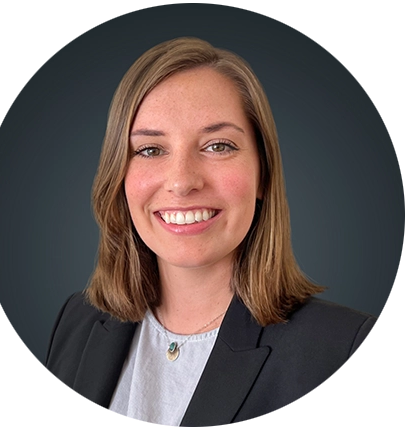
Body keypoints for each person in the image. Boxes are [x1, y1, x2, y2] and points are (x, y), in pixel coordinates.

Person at [42, 37, 402, 427]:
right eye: (149, 150)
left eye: (218, 146)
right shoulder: (77, 322)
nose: (181, 182)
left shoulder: (349, 352)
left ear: (263, 173)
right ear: (119, 174)